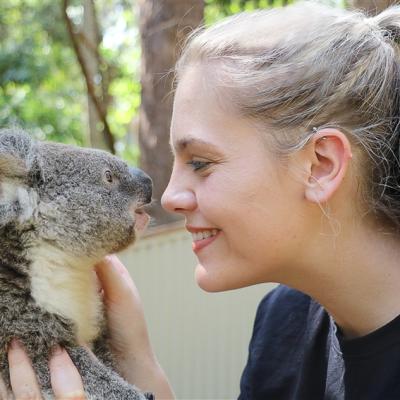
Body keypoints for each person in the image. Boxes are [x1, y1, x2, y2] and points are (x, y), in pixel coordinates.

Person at [7, 2, 400, 398]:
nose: (171, 197)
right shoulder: (284, 322)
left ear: (320, 165)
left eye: (201, 162)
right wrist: (137, 363)